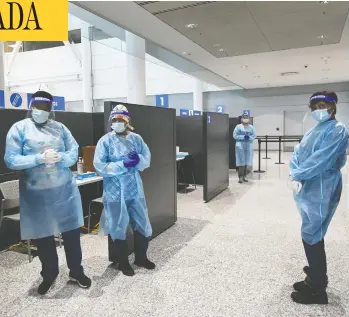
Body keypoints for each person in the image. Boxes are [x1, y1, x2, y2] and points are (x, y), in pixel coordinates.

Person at [4, 91, 91, 295]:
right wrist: (38, 159)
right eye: (38, 107)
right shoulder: (19, 129)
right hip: (37, 194)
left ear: (51, 110)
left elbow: (73, 152)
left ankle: (76, 271)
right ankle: (49, 274)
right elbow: (11, 159)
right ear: (31, 106)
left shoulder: (60, 128)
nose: (41, 112)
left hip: (64, 192)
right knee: (44, 237)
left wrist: (60, 157)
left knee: (71, 234)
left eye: (46, 109)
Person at [289, 91, 348, 305]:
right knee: (309, 231)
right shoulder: (315, 129)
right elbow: (298, 152)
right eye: (314, 107)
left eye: (322, 105)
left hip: (323, 187)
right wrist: (293, 172)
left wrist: (298, 174)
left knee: (313, 234)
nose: (318, 110)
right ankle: (314, 275)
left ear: (333, 107)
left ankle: (318, 289)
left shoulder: (338, 130)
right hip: (307, 187)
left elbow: (320, 160)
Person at [93, 104, 155, 277]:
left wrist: (139, 159)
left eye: (121, 119)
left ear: (127, 121)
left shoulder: (136, 139)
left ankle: (141, 258)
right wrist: (122, 164)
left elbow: (147, 160)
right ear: (111, 121)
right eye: (115, 119)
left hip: (134, 188)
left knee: (141, 223)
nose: (118, 122)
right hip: (114, 190)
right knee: (117, 225)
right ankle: (122, 262)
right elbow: (100, 166)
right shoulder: (105, 141)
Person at [233, 112, 256, 183]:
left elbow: (254, 135)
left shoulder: (251, 127)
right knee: (241, 161)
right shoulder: (238, 127)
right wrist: (243, 137)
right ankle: (240, 177)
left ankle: (244, 176)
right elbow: (235, 135)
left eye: (247, 118)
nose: (245, 119)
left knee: (246, 161)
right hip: (240, 146)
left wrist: (249, 137)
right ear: (242, 119)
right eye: (244, 118)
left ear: (249, 119)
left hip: (248, 146)